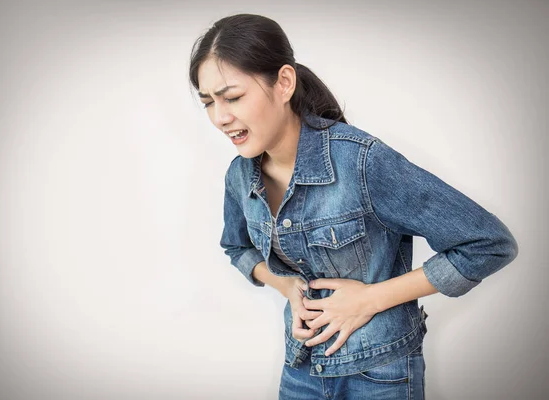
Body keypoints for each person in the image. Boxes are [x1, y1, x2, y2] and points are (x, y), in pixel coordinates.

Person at [188, 13, 519, 400]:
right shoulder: (240, 176)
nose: (220, 117)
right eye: (208, 101)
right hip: (301, 370)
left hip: (381, 374)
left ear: (283, 83)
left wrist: (371, 298)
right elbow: (237, 247)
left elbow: (488, 243)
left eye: (232, 97)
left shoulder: (360, 161)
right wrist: (286, 285)